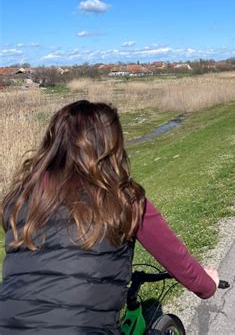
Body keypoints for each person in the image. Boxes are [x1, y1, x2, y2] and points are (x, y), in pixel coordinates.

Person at [0, 100, 219, 333]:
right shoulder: (124, 199)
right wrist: (207, 285)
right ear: (111, 146)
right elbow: (175, 256)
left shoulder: (22, 197)